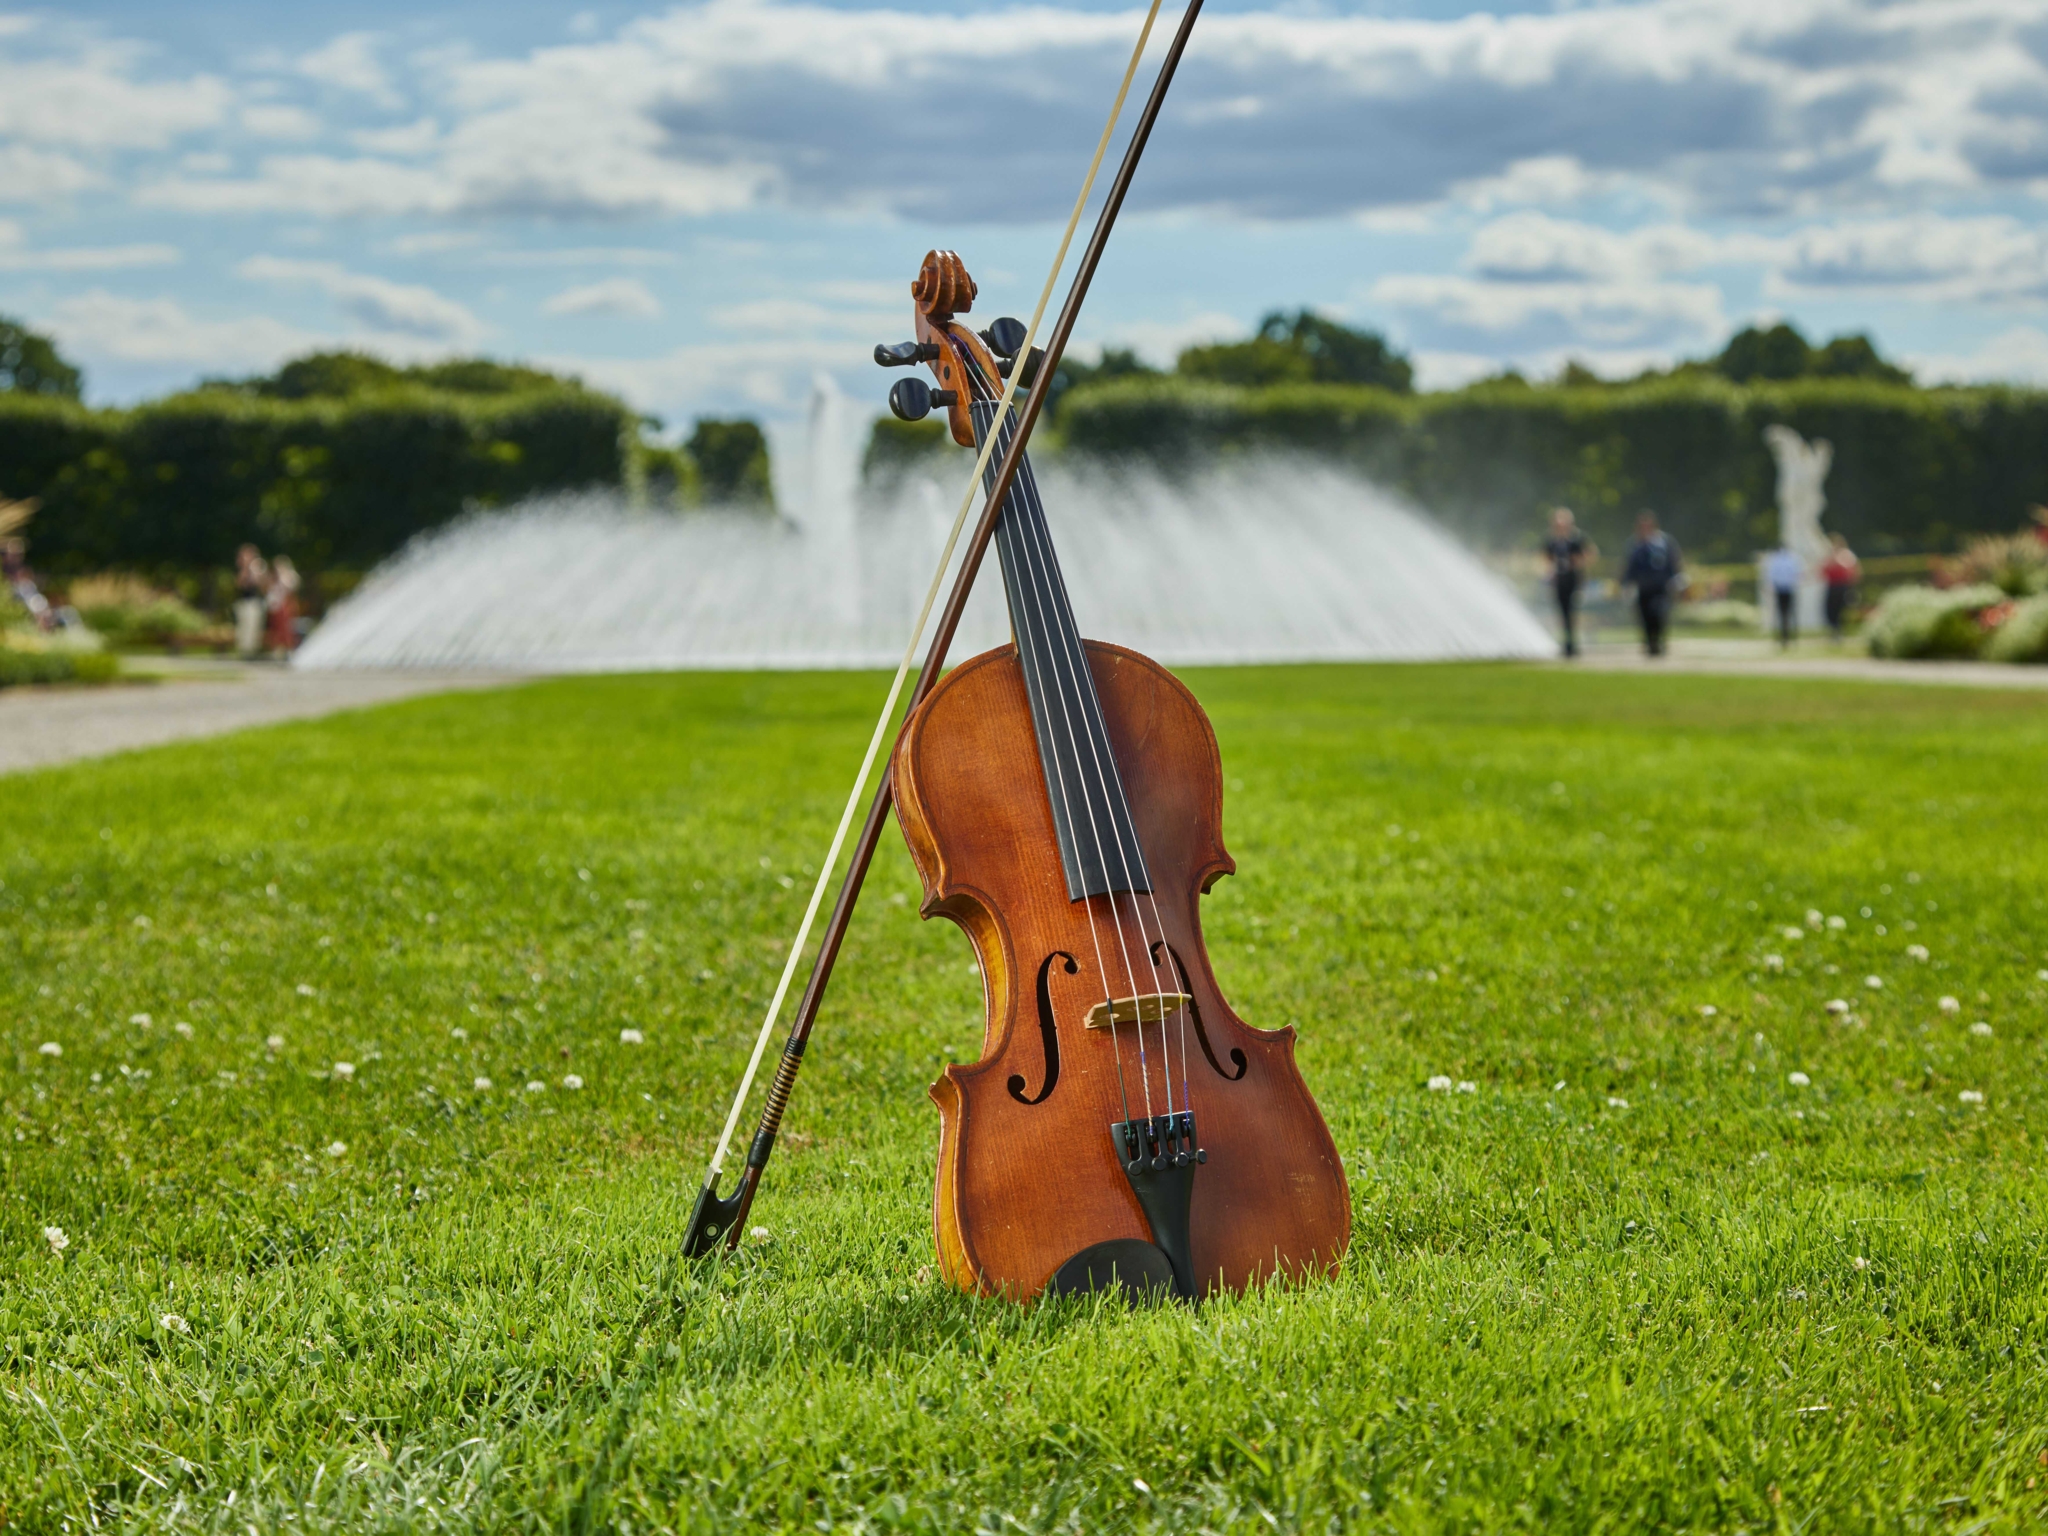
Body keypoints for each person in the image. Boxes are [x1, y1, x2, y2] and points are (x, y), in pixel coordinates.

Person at [1619, 511, 1683, 657]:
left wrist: (1677, 578)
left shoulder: (1664, 542)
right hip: (1643, 586)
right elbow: (1629, 567)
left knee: (1659, 613)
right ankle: (1650, 643)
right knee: (1645, 615)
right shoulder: (1634, 544)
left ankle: (1659, 640)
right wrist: (1626, 584)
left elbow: (1674, 561)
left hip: (1661, 586)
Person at [1542, 507, 1596, 658]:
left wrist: (1576, 563)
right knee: (1562, 612)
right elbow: (1547, 557)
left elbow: (1589, 554)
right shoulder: (1552, 542)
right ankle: (1567, 643)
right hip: (1559, 581)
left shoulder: (1576, 540)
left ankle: (1573, 643)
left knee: (1572, 612)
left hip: (1573, 581)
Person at [1820, 533, 1859, 640]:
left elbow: (1852, 570)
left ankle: (1839, 631)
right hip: (1832, 586)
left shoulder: (1846, 555)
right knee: (1830, 610)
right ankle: (1834, 630)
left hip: (1842, 586)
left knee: (1840, 610)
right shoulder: (1830, 556)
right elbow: (1823, 570)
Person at [234, 544, 269, 659]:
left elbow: (261, 583)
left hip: (255, 601)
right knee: (243, 627)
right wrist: (245, 567)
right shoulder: (242, 568)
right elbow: (240, 584)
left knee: (254, 627)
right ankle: (245, 651)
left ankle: (252, 651)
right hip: (244, 601)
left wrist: (252, 569)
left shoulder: (258, 566)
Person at [1765, 543, 1802, 649]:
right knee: (1789, 614)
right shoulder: (1793, 558)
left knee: (1782, 614)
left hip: (1780, 589)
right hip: (1789, 589)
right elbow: (1797, 574)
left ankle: (1784, 636)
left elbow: (1771, 576)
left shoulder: (1774, 559)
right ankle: (1789, 636)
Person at [265, 554, 301, 657]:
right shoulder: (274, 577)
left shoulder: (290, 575)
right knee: (277, 628)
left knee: (288, 627)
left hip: (287, 604)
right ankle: (278, 649)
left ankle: (290, 648)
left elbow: (291, 587)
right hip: (277, 605)